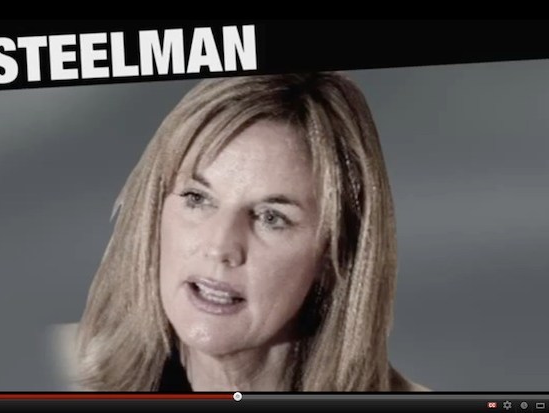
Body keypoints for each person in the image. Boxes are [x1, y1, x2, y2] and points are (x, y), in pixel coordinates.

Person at [51, 72, 429, 392]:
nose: (221, 247)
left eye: (271, 218)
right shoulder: (60, 374)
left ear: (335, 256)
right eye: (198, 198)